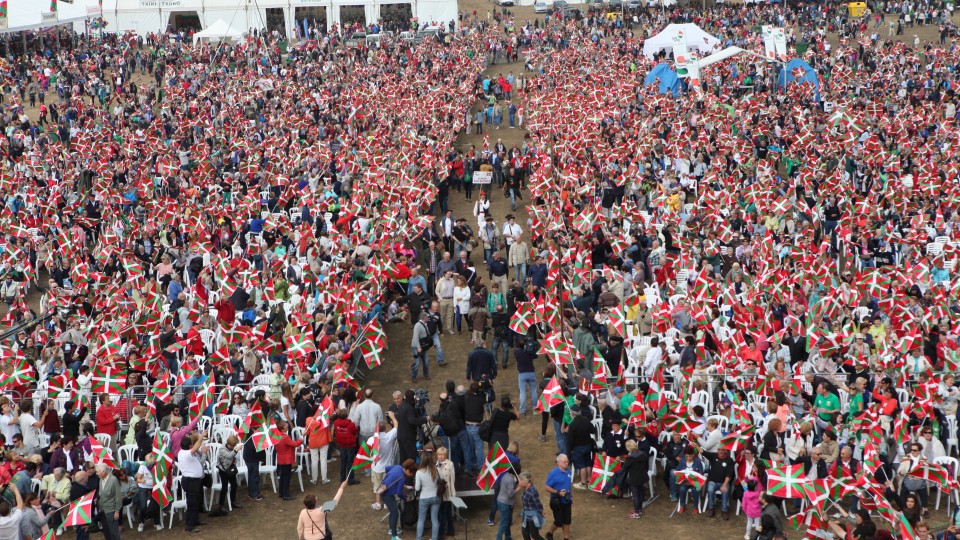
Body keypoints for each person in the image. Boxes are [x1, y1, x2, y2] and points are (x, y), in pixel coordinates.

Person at [178, 431, 207, 534]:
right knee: (192, 503)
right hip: (191, 481)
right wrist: (202, 436)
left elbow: (195, 447)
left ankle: (194, 520)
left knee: (195, 501)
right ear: (190, 445)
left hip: (191, 480)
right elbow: (196, 446)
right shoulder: (186, 453)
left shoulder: (181, 452)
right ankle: (190, 525)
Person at [380, 459, 417, 540]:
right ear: (407, 470)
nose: (411, 475)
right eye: (410, 473)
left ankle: (391, 529)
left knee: (392, 511)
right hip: (387, 495)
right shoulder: (402, 477)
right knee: (395, 513)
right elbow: (399, 492)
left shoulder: (398, 467)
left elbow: (387, 468)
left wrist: (389, 479)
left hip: (383, 490)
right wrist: (405, 498)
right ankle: (394, 536)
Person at [544, 454, 572, 540]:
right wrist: (558, 492)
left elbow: (568, 484)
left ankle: (566, 538)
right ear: (559, 463)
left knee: (567, 521)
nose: (567, 463)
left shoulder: (569, 471)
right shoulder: (553, 473)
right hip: (557, 501)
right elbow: (547, 487)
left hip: (567, 500)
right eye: (564, 462)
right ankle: (549, 533)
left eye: (567, 461)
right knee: (559, 521)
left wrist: (571, 495)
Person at [415, 451, 441, 540]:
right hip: (436, 496)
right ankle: (434, 538)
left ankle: (419, 538)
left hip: (424, 497)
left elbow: (417, 488)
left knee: (421, 519)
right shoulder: (435, 470)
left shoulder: (419, 472)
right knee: (435, 519)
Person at [276, 420, 304, 500]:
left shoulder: (277, 436)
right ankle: (286, 494)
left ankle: (281, 492)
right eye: (285, 425)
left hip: (281, 458)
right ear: (282, 429)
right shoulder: (285, 437)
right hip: (287, 459)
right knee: (287, 477)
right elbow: (295, 444)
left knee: (282, 476)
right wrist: (301, 439)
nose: (286, 426)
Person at [621, 439, 649, 519]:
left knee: (635, 495)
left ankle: (636, 513)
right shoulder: (643, 454)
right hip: (643, 477)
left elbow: (625, 467)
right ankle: (639, 509)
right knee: (640, 495)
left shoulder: (631, 458)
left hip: (634, 478)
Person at [674, 446, 704, 514]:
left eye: (690, 456)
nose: (688, 458)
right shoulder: (682, 461)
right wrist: (680, 474)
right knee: (682, 489)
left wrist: (693, 476)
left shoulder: (698, 461)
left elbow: (701, 473)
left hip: (694, 481)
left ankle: (696, 507)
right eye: (687, 456)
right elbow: (678, 470)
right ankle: (682, 506)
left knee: (695, 490)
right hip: (685, 481)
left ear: (693, 455)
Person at [518, 471, 544, 540]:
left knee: (535, 535)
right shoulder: (524, 489)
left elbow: (538, 503)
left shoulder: (533, 491)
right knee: (525, 533)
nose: (519, 482)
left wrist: (541, 512)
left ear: (526, 481)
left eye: (521, 480)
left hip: (532, 517)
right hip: (525, 515)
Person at [497, 465, 518, 540]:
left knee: (508, 521)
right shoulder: (511, 480)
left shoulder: (505, 475)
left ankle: (508, 537)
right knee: (504, 523)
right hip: (505, 503)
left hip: (502, 501)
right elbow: (511, 494)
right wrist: (518, 488)